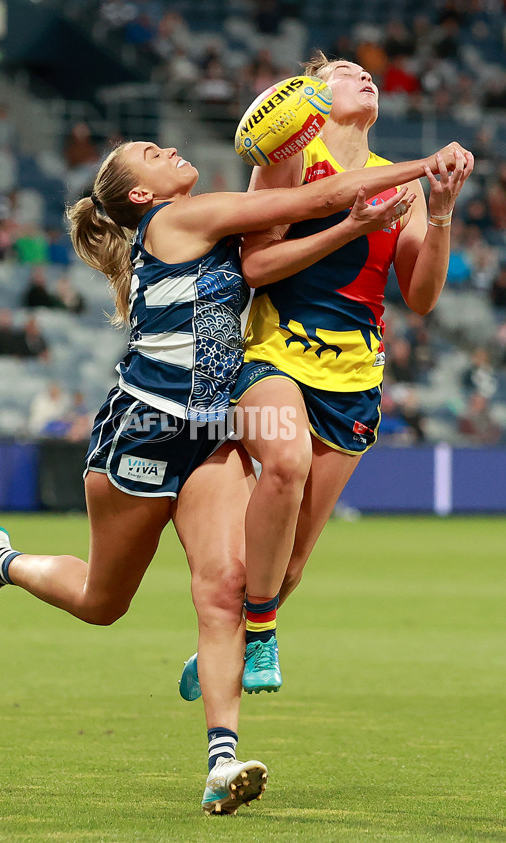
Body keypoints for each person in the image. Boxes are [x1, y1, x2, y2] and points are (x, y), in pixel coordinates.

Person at [0, 136, 454, 814]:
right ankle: (0, 560)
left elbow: (287, 243)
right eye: (153, 153)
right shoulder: (173, 221)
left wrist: (350, 228)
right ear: (142, 195)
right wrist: (421, 168)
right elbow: (312, 196)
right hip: (143, 432)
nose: (170, 150)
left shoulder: (205, 224)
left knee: (223, 589)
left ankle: (222, 760)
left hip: (210, 434)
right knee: (104, 601)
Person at [180, 52, 474, 700]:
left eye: (366, 71)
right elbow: (256, 267)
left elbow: (420, 296)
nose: (363, 73)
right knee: (285, 463)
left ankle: (227, 636)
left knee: (290, 566)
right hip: (272, 351)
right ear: (310, 92)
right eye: (343, 69)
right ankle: (258, 635)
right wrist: (348, 228)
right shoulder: (288, 157)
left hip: (354, 373)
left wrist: (444, 210)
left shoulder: (402, 184)